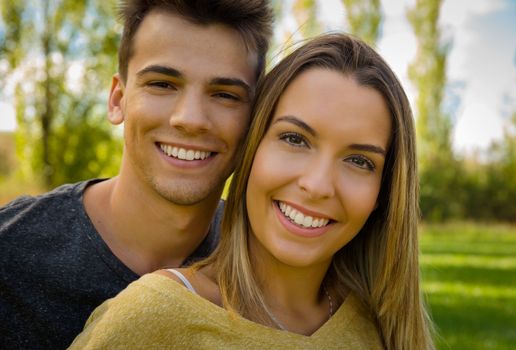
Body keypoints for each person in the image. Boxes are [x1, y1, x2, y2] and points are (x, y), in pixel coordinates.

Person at [69, 33, 435, 349]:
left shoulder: (375, 322)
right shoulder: (151, 318)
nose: (318, 185)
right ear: (252, 147)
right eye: (295, 139)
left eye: (359, 161)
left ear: (383, 194)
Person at [0, 1, 273, 349]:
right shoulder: (10, 255)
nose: (190, 118)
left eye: (224, 94)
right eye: (162, 84)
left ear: (255, 120)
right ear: (117, 99)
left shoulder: (264, 265)